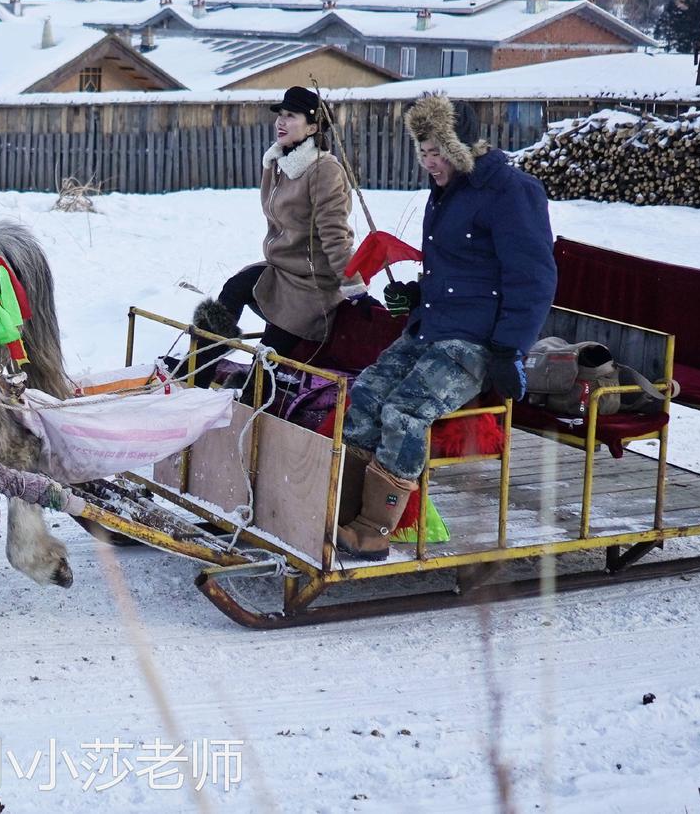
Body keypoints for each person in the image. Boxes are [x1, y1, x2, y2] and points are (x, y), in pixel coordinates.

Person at [336, 94, 556, 560]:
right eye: (423, 151)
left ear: (461, 148)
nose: (428, 162)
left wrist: (508, 349)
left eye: (437, 151)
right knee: (367, 393)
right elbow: (461, 268)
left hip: (477, 340)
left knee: (406, 411)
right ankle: (344, 509)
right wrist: (417, 295)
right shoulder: (448, 193)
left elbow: (533, 277)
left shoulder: (512, 192)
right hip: (433, 326)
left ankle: (376, 527)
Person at [190, 85, 366, 386]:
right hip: (281, 271)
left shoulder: (324, 170)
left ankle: (251, 396)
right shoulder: (278, 163)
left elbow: (335, 235)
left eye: (291, 116)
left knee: (266, 358)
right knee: (234, 288)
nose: (281, 122)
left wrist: (353, 286)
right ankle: (195, 373)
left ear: (312, 127)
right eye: (280, 115)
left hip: (311, 287)